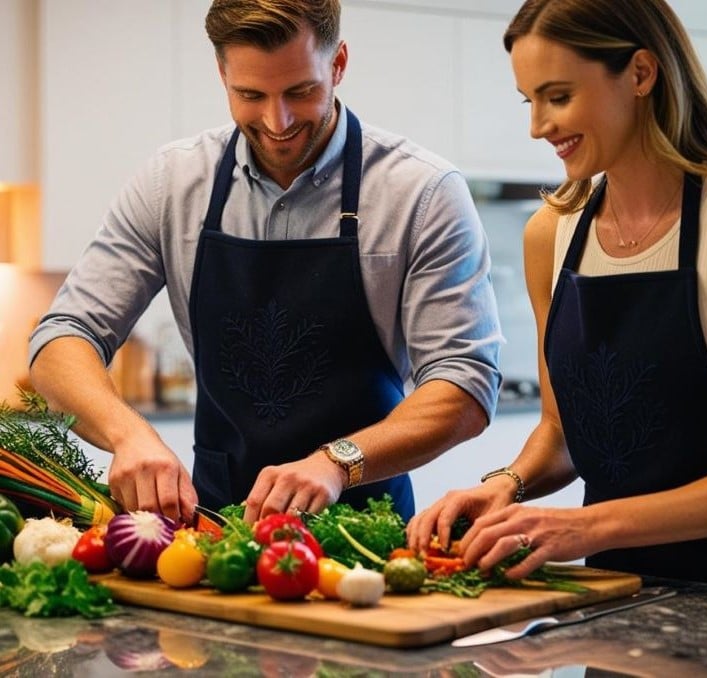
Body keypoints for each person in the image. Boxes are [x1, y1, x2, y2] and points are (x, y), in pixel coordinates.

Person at [28, 0, 502, 527]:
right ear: (222, 73)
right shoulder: (173, 184)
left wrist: (335, 463)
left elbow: (465, 383)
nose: (277, 122)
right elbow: (61, 339)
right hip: (213, 529)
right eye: (250, 95)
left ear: (338, 63)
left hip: (367, 537)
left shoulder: (422, 193)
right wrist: (127, 433)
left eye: (300, 92)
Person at [407, 0, 707, 594]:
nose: (538, 126)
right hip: (610, 592)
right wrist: (507, 483)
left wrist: (587, 525)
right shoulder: (550, 234)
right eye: (530, 101)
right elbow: (562, 430)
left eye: (558, 96)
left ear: (642, 74)